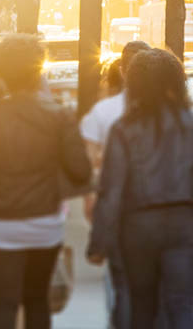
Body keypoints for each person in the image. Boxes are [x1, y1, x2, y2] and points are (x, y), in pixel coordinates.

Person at [0, 35, 91, 329]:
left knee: (3, 303)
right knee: (37, 300)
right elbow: (81, 171)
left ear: (2, 74)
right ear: (37, 72)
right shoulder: (59, 117)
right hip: (44, 223)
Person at [88, 48, 193, 329]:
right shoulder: (190, 126)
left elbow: (111, 192)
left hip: (138, 228)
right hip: (185, 225)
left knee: (141, 304)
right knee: (183, 302)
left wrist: (99, 243)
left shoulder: (124, 129)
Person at [80, 41, 150, 329]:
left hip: (120, 209)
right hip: (166, 211)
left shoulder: (104, 111)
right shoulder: (176, 111)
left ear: (122, 70)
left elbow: (89, 162)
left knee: (122, 285)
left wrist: (91, 199)